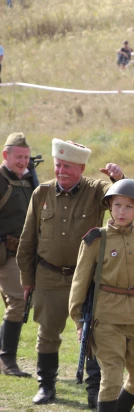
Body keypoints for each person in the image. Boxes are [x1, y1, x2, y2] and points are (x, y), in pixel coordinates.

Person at [17, 138, 124, 406]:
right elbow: (28, 239)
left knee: (91, 334)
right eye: (58, 165)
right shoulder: (41, 193)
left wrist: (119, 178)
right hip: (49, 276)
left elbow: (122, 201)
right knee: (47, 332)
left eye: (68, 166)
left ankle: (93, 391)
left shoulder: (96, 190)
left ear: (81, 167)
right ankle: (46, 385)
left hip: (86, 278)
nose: (62, 170)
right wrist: (27, 280)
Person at [68, 179, 134, 411]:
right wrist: (78, 321)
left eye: (128, 207)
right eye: (116, 205)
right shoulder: (96, 239)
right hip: (105, 317)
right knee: (112, 378)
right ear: (109, 207)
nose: (121, 211)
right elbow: (80, 282)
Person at [0, 133, 34, 379]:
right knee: (18, 302)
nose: (23, 162)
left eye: (26, 157)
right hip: (3, 251)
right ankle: (7, 359)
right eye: (18, 157)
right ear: (5, 156)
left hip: (18, 253)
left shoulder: (27, 180)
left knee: (19, 303)